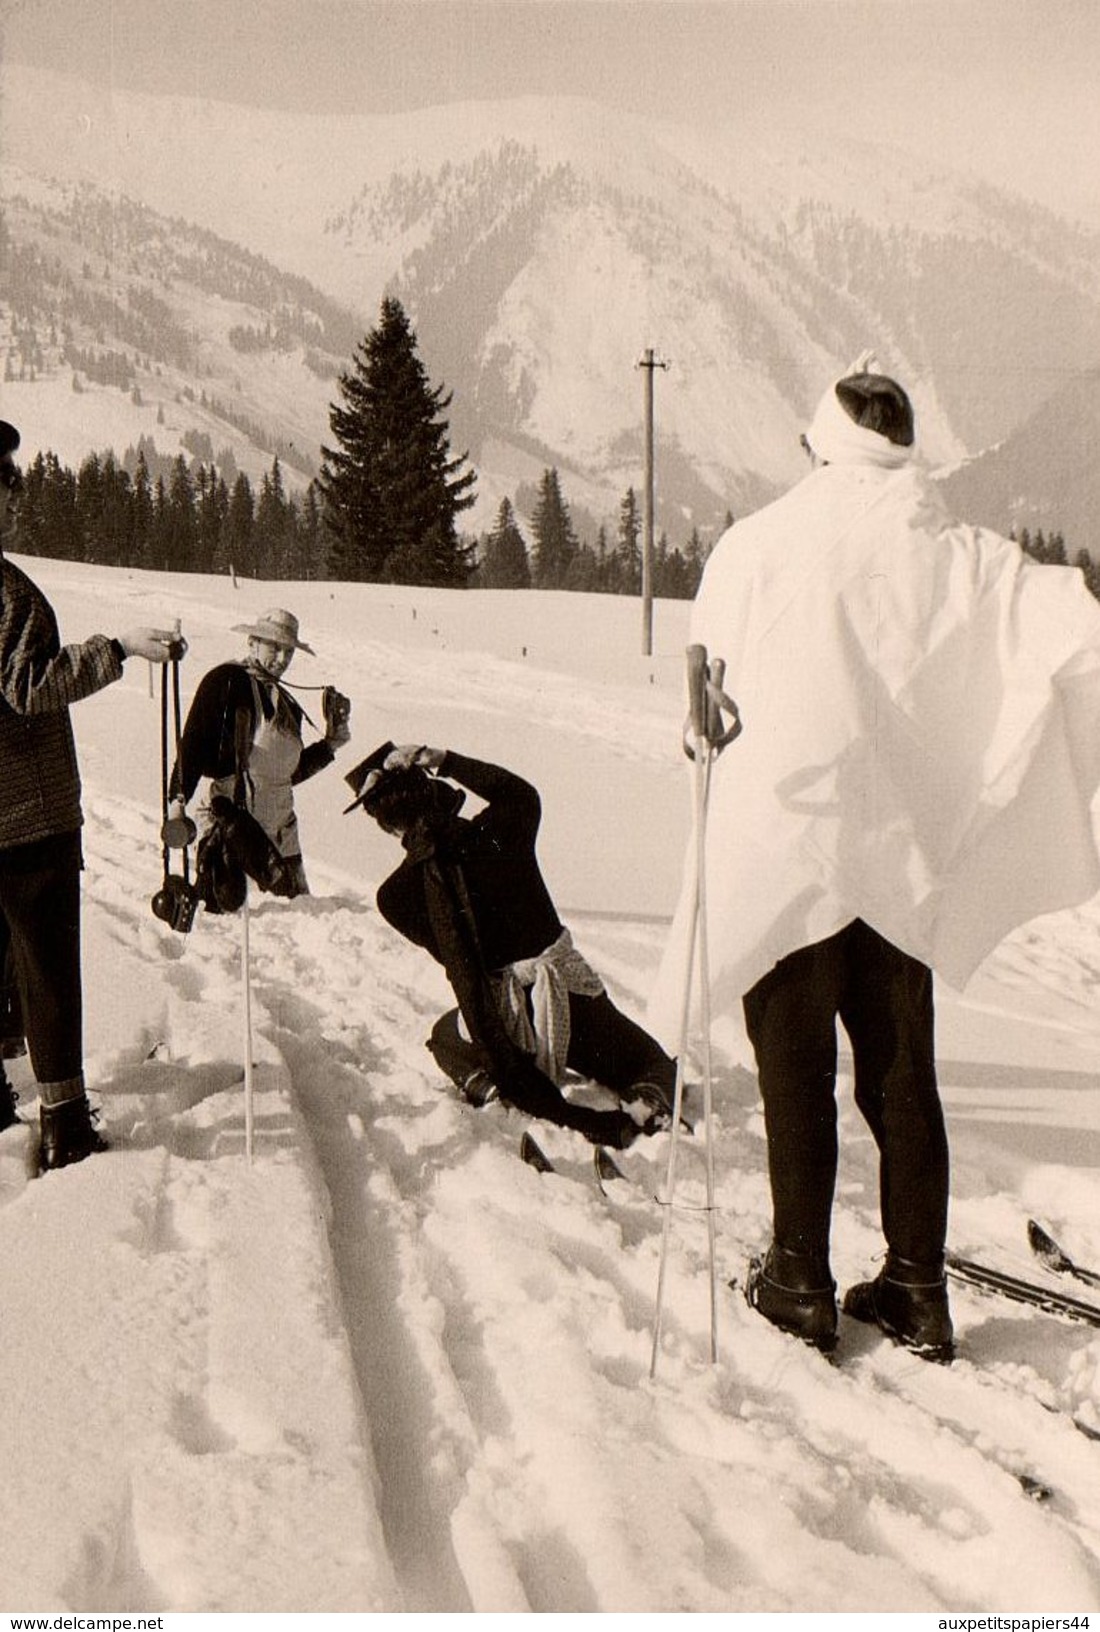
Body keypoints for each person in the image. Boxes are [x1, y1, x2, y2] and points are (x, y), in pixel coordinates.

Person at [651, 353, 1100, 1362]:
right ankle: (914, 1292)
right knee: (901, 1081)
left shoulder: (758, 545)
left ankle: (798, 1284)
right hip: (898, 864)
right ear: (901, 444)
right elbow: (1074, 630)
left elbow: (702, 694)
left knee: (795, 1075)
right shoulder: (963, 552)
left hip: (787, 848)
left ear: (817, 439)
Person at [0, 419, 185, 1169]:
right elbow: (29, 687)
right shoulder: (9, 593)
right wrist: (121, 649)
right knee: (47, 972)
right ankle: (66, 1124)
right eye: (6, 479)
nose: (16, 493)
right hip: (31, 818)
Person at [344, 743, 679, 1148]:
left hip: (507, 1028)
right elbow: (520, 793)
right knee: (650, 1061)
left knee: (443, 1036)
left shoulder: (395, 897)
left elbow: (458, 960)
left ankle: (488, 1086)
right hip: (575, 1004)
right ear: (432, 789)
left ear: (388, 826)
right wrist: (445, 760)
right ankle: (648, 1102)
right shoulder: (501, 831)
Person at [167, 608, 350, 899]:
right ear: (252, 642)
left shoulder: (287, 704)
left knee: (299, 921)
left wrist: (330, 745)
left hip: (282, 837)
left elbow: (284, 775)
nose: (281, 659)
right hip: (234, 828)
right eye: (274, 647)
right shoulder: (227, 681)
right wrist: (177, 801)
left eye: (288, 651)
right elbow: (194, 745)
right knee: (228, 923)